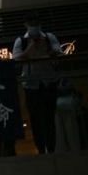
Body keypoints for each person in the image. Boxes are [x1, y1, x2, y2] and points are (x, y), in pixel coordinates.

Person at [12, 13, 63, 154]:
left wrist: (46, 47)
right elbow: (16, 59)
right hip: (30, 84)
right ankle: (40, 149)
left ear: (40, 24)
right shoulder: (21, 41)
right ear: (26, 25)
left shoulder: (48, 37)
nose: (33, 26)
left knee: (49, 117)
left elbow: (59, 53)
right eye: (30, 23)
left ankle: (51, 148)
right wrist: (30, 47)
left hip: (48, 82)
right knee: (35, 118)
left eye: (36, 23)